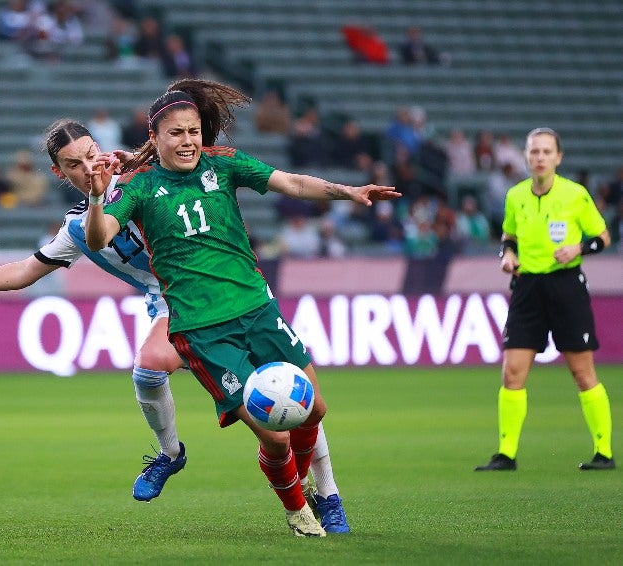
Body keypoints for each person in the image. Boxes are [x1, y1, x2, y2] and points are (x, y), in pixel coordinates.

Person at [0, 119, 350, 511]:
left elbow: (184, 143)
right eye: (73, 164)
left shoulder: (139, 177)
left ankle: (327, 493)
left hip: (230, 287)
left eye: (90, 154)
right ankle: (171, 454)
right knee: (151, 368)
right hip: (174, 303)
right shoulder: (79, 228)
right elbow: (24, 272)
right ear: (59, 174)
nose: (87, 167)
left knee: (296, 393)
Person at [84, 79, 400, 536]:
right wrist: (95, 196)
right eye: (176, 133)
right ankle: (298, 509)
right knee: (273, 434)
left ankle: (321, 493)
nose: (188, 141)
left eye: (193, 131)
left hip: (257, 307)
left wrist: (346, 191)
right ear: (155, 138)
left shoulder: (224, 163)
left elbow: (290, 182)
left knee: (314, 410)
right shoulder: (136, 187)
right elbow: (98, 237)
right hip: (202, 329)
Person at [475, 127, 614, 472]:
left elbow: (603, 237)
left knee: (583, 374)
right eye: (534, 151)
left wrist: (578, 248)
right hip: (527, 288)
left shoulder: (575, 195)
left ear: (558, 158)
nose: (540, 158)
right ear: (526, 156)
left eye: (546, 152)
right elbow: (509, 237)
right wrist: (506, 256)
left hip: (566, 287)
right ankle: (505, 454)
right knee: (512, 374)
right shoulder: (516, 195)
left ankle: (604, 453)